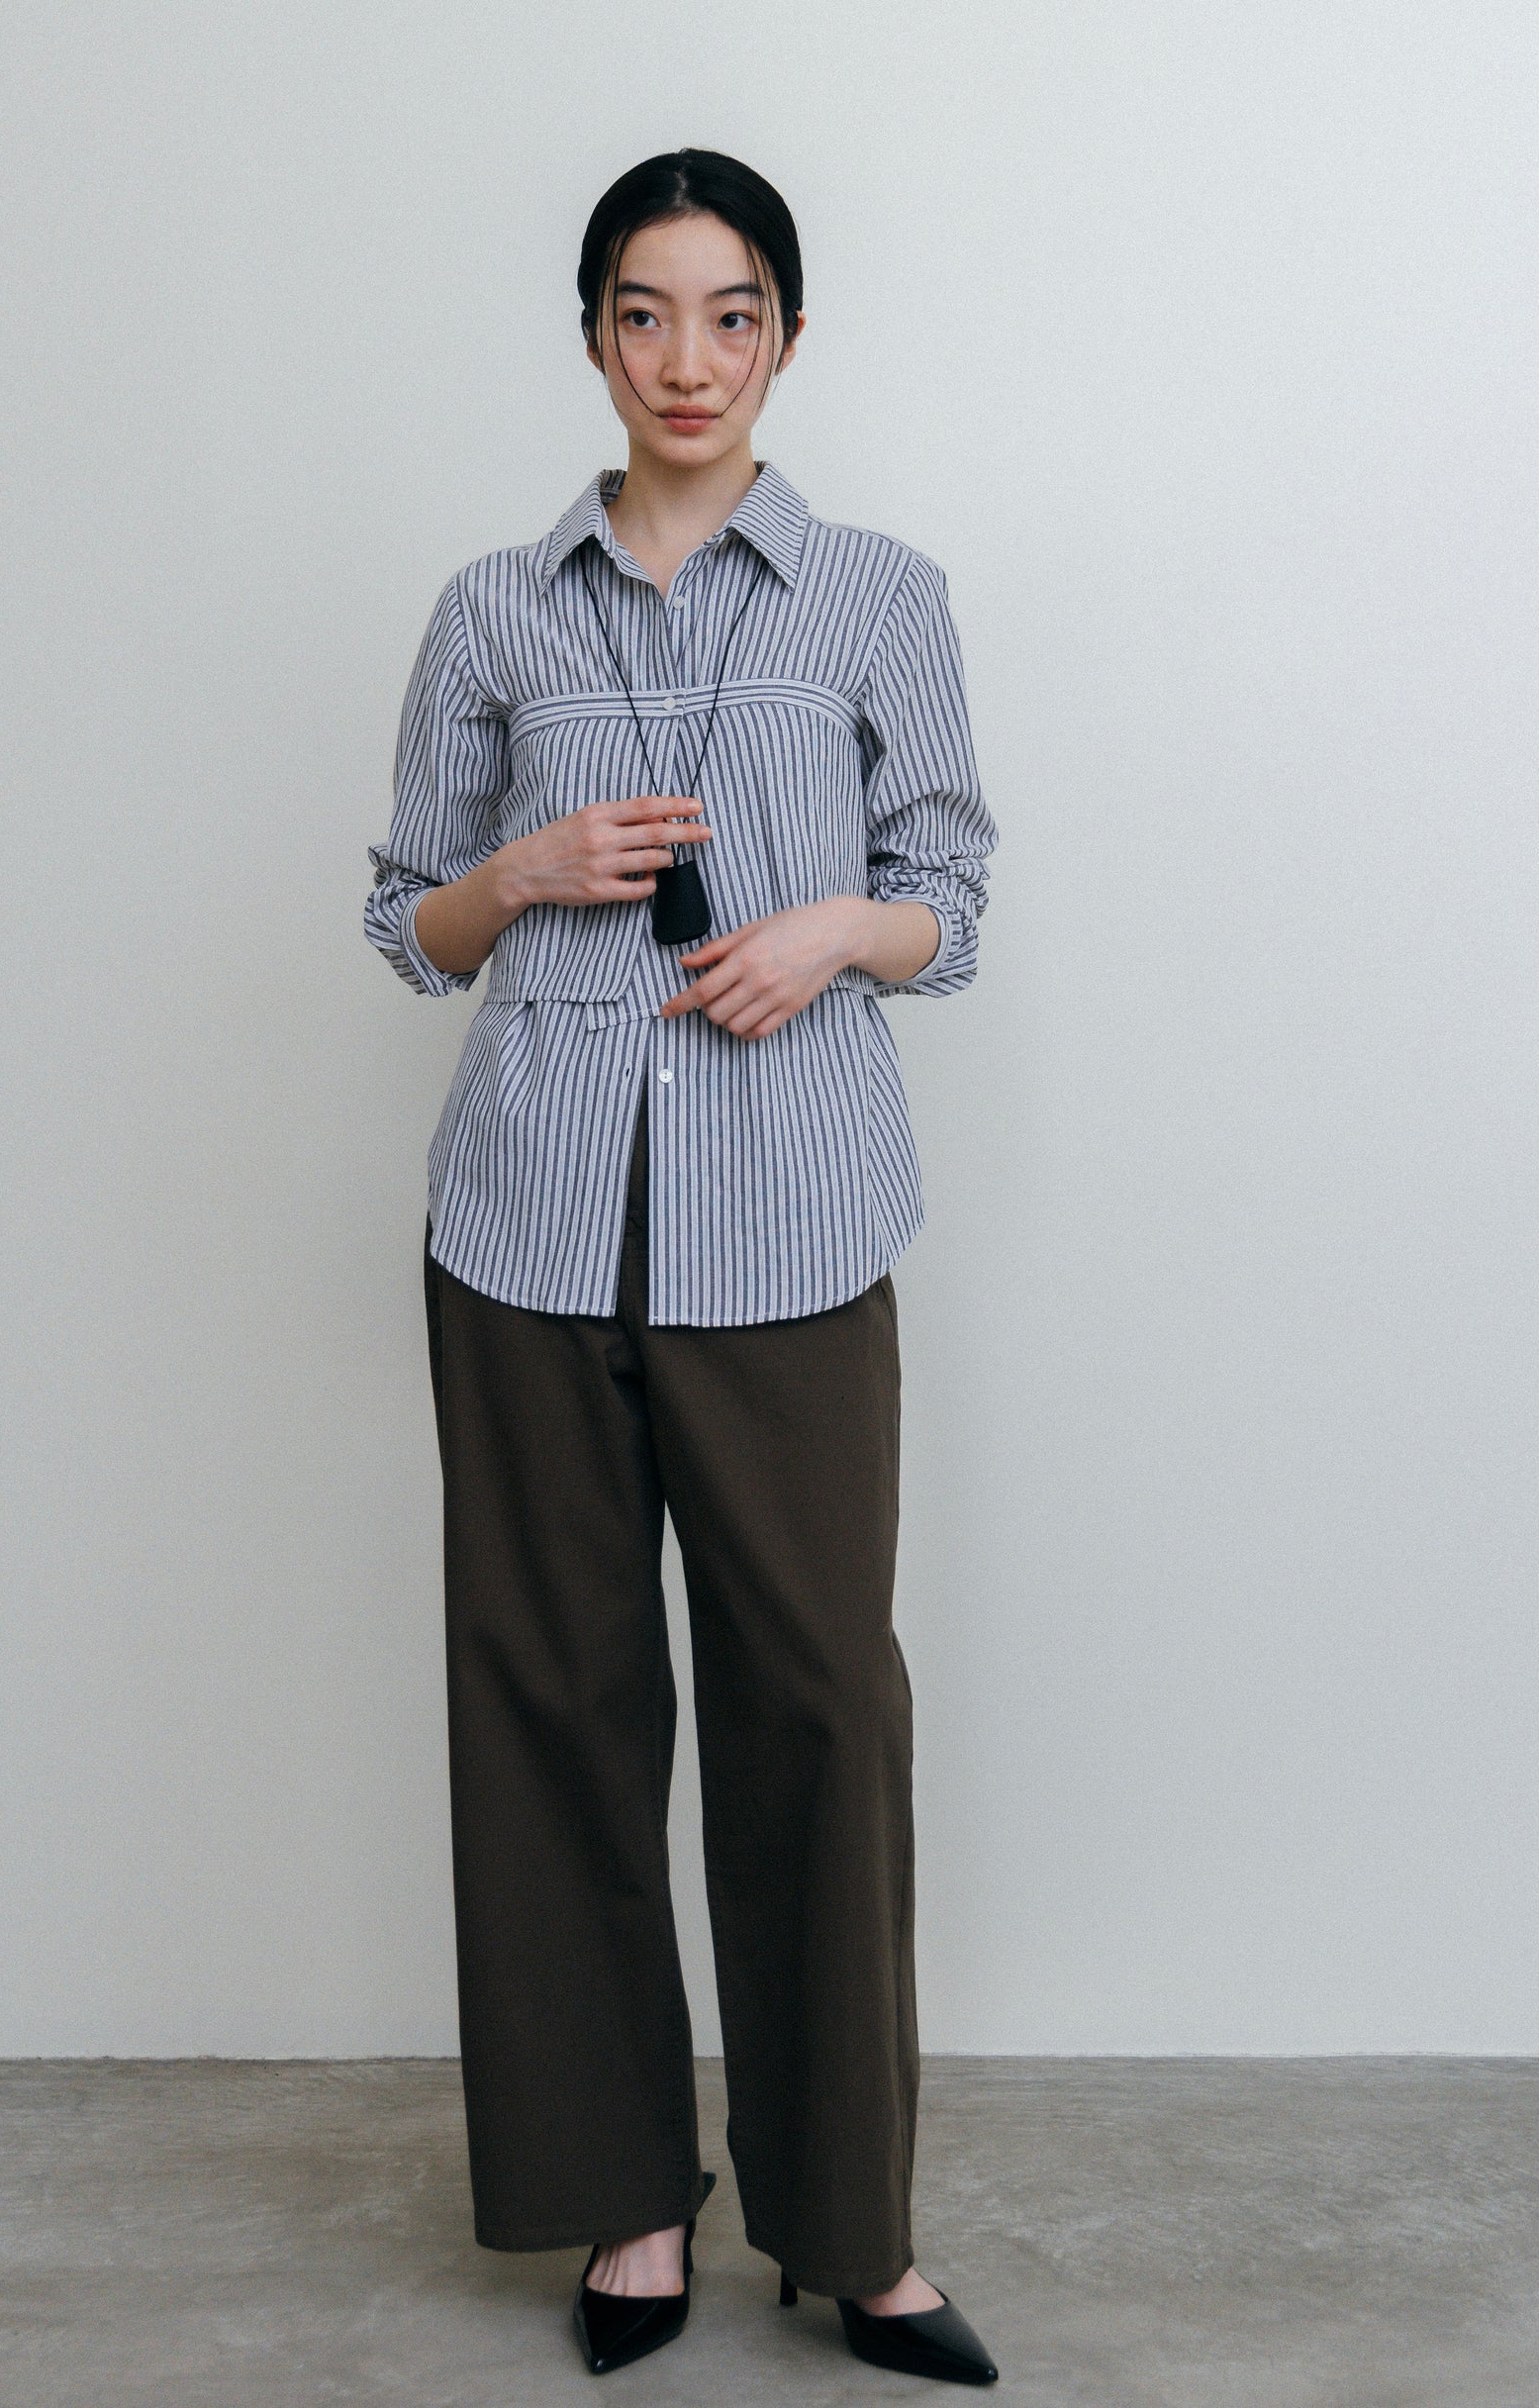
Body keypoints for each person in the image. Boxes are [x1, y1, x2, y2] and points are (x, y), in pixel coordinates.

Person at [363, 148, 1001, 2386]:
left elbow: (952, 895)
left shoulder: (879, 596)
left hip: (791, 1219)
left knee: (820, 1703)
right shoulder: (491, 610)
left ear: (786, 339)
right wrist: (525, 868)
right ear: (594, 340)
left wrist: (830, 933)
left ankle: (855, 2227)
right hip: (529, 1225)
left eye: (731, 315)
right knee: (552, 1702)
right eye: (644, 314)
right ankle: (626, 2199)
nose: (688, 359)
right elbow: (405, 916)